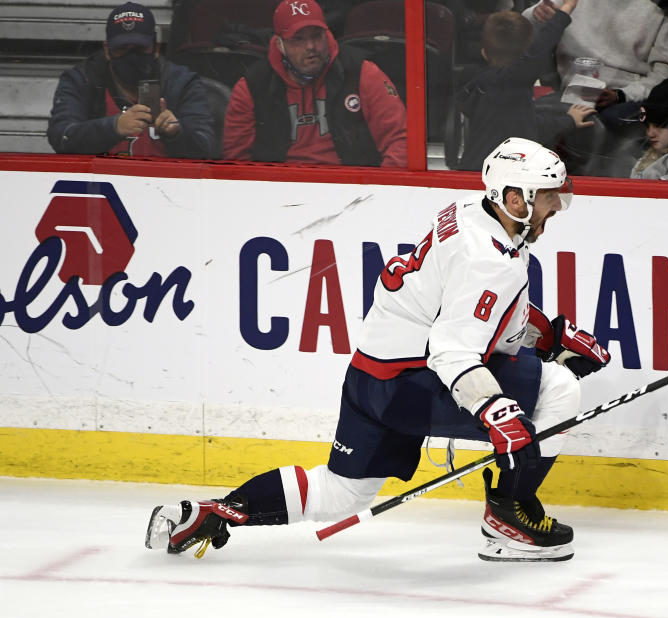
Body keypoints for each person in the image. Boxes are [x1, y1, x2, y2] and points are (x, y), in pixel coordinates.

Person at [144, 137, 611, 562]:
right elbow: (453, 349)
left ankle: (214, 511)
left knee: (341, 492)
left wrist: (545, 334)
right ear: (517, 199)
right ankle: (510, 519)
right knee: (559, 390)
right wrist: (498, 413)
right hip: (414, 380)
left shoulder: (473, 212)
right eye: (550, 198)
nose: (557, 207)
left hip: (372, 376)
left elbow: (463, 307)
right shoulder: (490, 260)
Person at [221, 0, 407, 166]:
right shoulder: (252, 86)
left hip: (351, 190)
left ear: (327, 34)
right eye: (298, 39)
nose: (310, 46)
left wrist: (377, 191)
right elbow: (236, 162)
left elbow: (401, 141)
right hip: (278, 192)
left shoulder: (362, 73)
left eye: (316, 36)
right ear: (279, 44)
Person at [47, 2, 215, 158]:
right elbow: (61, 136)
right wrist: (113, 127)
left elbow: (206, 146)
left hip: (166, 184)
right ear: (107, 50)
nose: (131, 56)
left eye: (140, 48)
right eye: (122, 49)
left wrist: (177, 132)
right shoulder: (82, 79)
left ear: (156, 48)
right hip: (99, 182)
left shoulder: (182, 82)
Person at [455, 2, 596, 171]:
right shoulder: (513, 82)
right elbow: (544, 41)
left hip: (470, 175)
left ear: (484, 52)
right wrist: (567, 8)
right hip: (499, 179)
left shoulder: (480, 86)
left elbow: (525, 124)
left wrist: (568, 120)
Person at [521, 0, 668, 129]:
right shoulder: (570, 2)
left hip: (627, 99)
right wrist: (537, 16)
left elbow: (665, 76)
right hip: (570, 93)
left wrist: (621, 95)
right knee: (525, 118)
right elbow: (523, 26)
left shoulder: (665, 12)